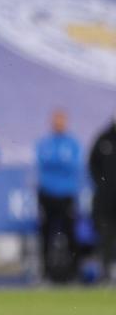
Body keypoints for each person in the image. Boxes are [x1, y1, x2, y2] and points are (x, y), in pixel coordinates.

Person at [35, 110, 82, 282]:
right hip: (47, 194)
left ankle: (74, 273)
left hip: (67, 194)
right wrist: (60, 163)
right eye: (56, 120)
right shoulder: (45, 143)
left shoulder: (72, 143)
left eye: (61, 120)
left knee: (71, 234)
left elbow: (73, 165)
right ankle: (45, 273)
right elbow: (44, 162)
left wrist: (57, 163)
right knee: (46, 234)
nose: (58, 123)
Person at [89, 112, 116, 283]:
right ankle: (106, 272)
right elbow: (92, 164)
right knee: (106, 235)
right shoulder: (104, 139)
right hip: (106, 199)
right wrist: (103, 184)